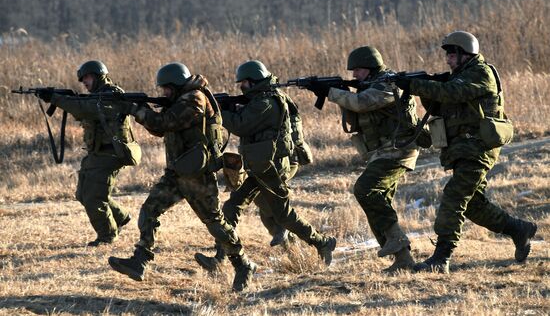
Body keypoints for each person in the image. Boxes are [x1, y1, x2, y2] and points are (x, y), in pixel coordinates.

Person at [394, 31, 537, 273]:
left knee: (454, 197)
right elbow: (441, 104)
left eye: (452, 55)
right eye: (447, 55)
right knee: (473, 205)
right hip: (462, 150)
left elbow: (452, 93)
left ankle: (441, 258)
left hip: (478, 149)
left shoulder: (481, 73)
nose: (447, 59)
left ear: (465, 54)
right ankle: (518, 229)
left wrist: (417, 84)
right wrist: (416, 88)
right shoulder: (456, 77)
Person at [107, 63, 256, 292]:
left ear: (176, 85)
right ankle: (140, 260)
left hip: (197, 175)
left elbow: (164, 122)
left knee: (214, 223)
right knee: (149, 210)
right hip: (177, 173)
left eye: (166, 89)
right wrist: (140, 110)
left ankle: (243, 264)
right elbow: (160, 129)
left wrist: (136, 109)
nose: (164, 93)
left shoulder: (194, 99)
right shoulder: (181, 99)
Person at [194, 60, 335, 272]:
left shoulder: (267, 103)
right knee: (231, 208)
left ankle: (322, 242)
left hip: (272, 169)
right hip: (259, 167)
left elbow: (241, 125)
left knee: (283, 215)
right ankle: (220, 258)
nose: (241, 87)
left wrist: (218, 111)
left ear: (254, 81)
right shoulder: (259, 99)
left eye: (244, 83)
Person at [304, 47, 421, 272]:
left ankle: (398, 244)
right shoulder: (370, 83)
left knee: (365, 190)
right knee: (376, 202)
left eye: (358, 70)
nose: (354, 75)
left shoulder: (389, 83)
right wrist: (332, 90)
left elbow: (361, 102)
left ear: (371, 67)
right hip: (383, 152)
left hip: (398, 150)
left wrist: (330, 92)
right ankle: (403, 260)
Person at [37, 60, 136, 246]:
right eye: (82, 79)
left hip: (112, 153)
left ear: (98, 76)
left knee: (93, 197)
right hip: (97, 153)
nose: (84, 82)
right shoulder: (97, 95)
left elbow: (87, 110)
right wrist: (57, 97)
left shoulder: (112, 94)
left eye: (87, 77)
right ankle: (121, 217)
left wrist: (56, 99)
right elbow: (82, 110)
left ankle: (108, 235)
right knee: (83, 194)